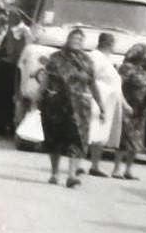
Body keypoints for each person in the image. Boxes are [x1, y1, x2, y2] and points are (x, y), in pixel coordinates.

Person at [37, 27, 106, 188]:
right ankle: (54, 173)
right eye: (74, 39)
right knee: (55, 139)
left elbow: (92, 84)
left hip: (80, 107)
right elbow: (46, 79)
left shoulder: (87, 61)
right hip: (56, 104)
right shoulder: (55, 58)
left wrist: (101, 105)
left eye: (80, 40)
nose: (77, 42)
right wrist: (38, 97)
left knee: (78, 139)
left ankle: (71, 175)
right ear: (68, 40)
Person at [113, 44, 146, 182]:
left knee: (136, 141)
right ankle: (117, 168)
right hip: (128, 105)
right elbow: (118, 84)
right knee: (124, 139)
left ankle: (129, 170)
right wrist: (123, 103)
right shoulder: (126, 68)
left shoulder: (145, 69)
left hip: (141, 108)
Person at [87, 33, 124, 180]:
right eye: (112, 43)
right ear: (108, 43)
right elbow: (91, 78)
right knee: (93, 131)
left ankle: (95, 165)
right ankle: (85, 165)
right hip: (98, 100)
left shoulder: (106, 59)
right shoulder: (96, 57)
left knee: (100, 134)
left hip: (108, 101)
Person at [0, 16, 31, 136]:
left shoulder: (13, 33)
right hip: (14, 68)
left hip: (9, 68)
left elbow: (7, 50)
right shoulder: (26, 33)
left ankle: (1, 124)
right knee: (10, 97)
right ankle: (8, 125)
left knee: (5, 97)